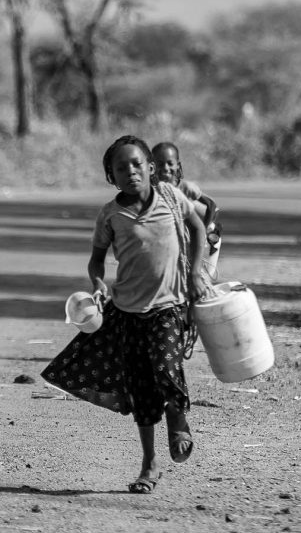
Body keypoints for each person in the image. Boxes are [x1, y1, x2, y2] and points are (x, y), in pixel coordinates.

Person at [41, 135, 214, 494]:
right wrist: (98, 283)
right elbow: (96, 260)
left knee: (167, 368)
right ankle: (149, 465)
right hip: (127, 313)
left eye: (137, 164)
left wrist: (197, 273)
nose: (131, 171)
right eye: (121, 167)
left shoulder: (170, 197)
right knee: (142, 392)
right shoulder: (110, 215)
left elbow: (198, 229)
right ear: (111, 176)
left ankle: (178, 419)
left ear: (151, 169)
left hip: (168, 307)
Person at [151, 140, 221, 278]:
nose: (165, 168)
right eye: (160, 164)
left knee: (196, 270)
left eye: (170, 163)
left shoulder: (186, 188)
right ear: (151, 167)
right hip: (175, 234)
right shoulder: (151, 191)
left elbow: (212, 206)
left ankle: (213, 244)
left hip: (197, 231)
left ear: (178, 166)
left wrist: (204, 229)